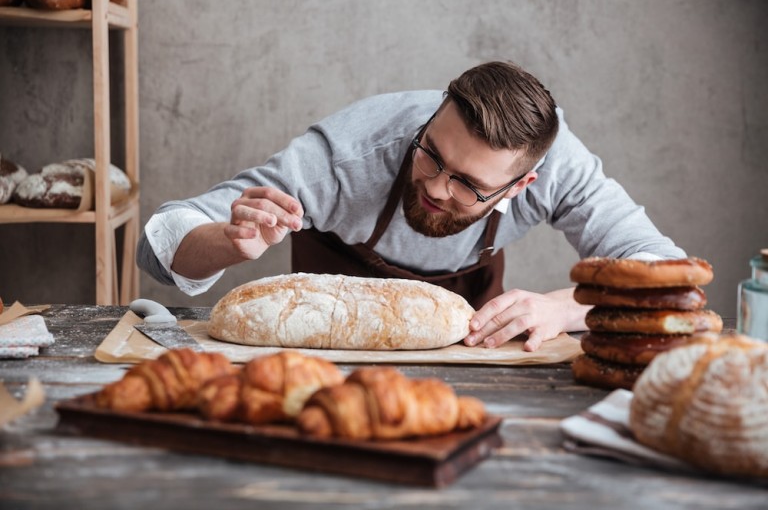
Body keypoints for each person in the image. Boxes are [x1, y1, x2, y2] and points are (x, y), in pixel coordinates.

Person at [137, 60, 686, 352]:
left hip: (477, 358)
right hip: (327, 358)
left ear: (523, 186)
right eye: (431, 155)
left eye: (469, 184)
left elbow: (669, 276)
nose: (439, 188)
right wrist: (229, 243)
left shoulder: (561, 165)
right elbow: (158, 244)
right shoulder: (348, 155)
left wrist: (566, 309)